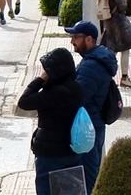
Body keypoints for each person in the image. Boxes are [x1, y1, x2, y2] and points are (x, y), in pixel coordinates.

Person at [18, 48, 83, 195]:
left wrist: (40, 80)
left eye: (47, 70)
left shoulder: (53, 94)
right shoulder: (76, 88)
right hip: (72, 149)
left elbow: (24, 102)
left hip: (50, 154)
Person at [64, 21, 118, 193]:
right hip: (93, 126)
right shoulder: (93, 60)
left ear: (89, 39)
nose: (72, 41)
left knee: (86, 180)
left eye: (76, 37)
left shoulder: (91, 66)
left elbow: (77, 97)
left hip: (87, 130)